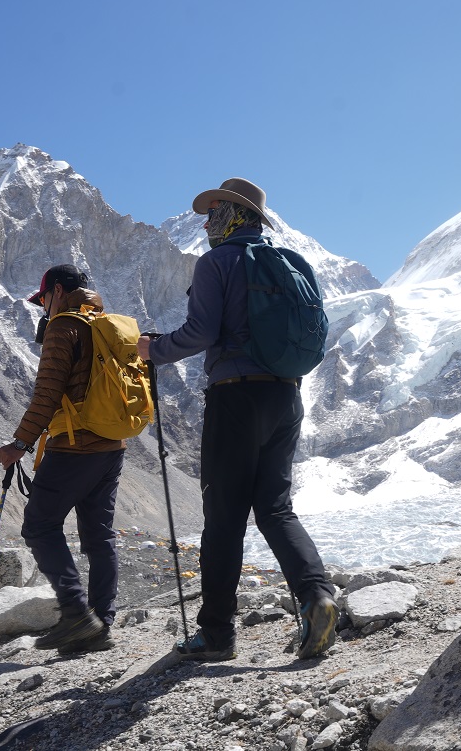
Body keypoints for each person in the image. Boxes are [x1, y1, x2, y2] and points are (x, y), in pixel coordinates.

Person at [137, 177, 337, 662]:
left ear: (234, 215)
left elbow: (201, 332)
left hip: (235, 398)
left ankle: (217, 634)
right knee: (274, 507)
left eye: (214, 211)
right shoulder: (294, 262)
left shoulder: (217, 262)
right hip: (286, 399)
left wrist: (154, 349)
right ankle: (317, 597)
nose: (206, 222)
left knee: (223, 518)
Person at [0, 264, 123, 656]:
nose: (42, 308)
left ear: (59, 291)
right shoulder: (104, 324)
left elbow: (47, 393)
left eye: (43, 299)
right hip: (111, 446)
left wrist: (20, 443)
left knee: (39, 526)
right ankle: (102, 620)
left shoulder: (64, 327)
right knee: (99, 535)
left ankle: (77, 614)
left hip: (72, 445)